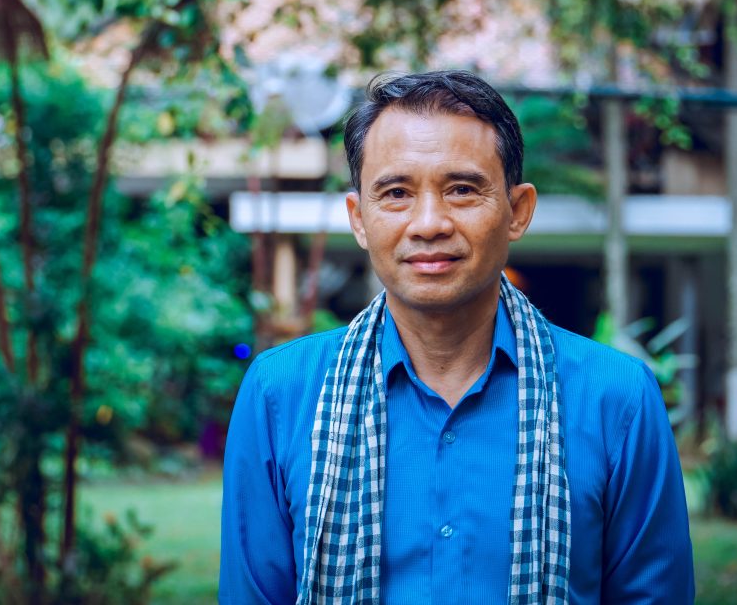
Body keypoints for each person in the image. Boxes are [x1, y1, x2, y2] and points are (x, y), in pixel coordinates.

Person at [220, 70, 694, 604]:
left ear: (517, 211)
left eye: (462, 190)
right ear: (359, 218)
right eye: (396, 192)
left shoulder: (618, 399)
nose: (429, 223)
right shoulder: (278, 394)